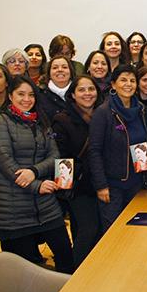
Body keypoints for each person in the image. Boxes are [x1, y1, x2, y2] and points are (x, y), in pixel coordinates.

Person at [0, 76, 74, 272]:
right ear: (10, 96)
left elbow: (54, 155)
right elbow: (5, 163)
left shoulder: (41, 122)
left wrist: (35, 172)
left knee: (65, 257)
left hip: (46, 205)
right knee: (23, 271)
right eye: (21, 94)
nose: (27, 99)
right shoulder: (0, 122)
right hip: (13, 210)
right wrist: (37, 185)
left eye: (31, 95)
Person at [88, 65, 147, 232]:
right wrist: (101, 185)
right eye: (123, 80)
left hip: (138, 184)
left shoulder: (142, 110)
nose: (128, 84)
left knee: (138, 231)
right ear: (113, 84)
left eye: (132, 80)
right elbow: (94, 151)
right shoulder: (103, 113)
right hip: (112, 186)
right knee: (114, 233)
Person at [51, 75, 103, 267]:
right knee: (87, 230)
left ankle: (95, 269)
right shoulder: (62, 120)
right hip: (79, 186)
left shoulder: (103, 114)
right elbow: (61, 156)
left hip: (101, 182)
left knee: (100, 231)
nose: (87, 94)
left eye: (91, 89)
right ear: (72, 94)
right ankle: (76, 273)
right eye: (82, 90)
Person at [39, 56, 76, 122]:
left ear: (71, 72)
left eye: (64, 67)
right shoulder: (40, 93)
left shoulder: (79, 92)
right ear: (49, 73)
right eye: (55, 68)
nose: (60, 70)